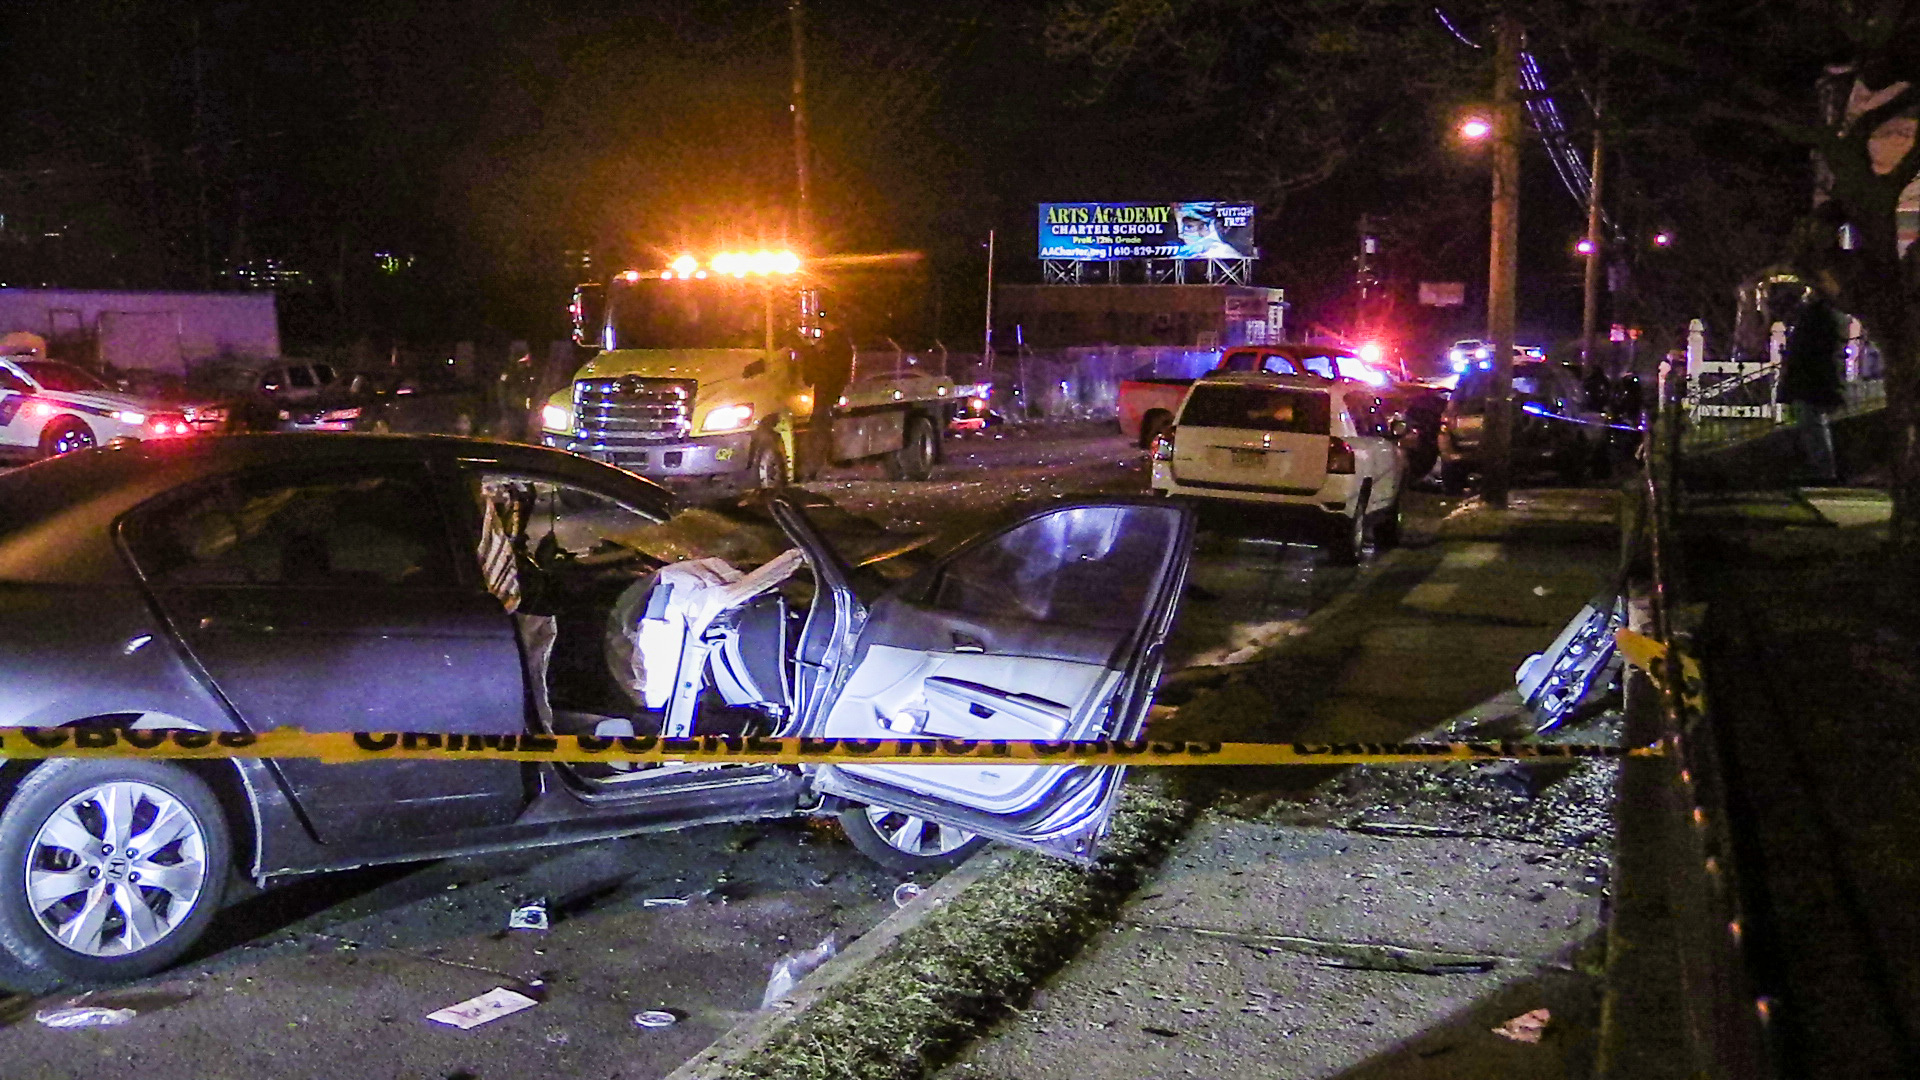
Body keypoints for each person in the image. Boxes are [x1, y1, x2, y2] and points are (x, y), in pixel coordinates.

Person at [1780, 290, 1845, 484]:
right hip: (1810, 379)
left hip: (1811, 379)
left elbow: (1808, 348)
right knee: (1810, 423)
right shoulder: (1819, 313)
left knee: (1813, 424)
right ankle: (1819, 467)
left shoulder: (1818, 314)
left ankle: (1823, 470)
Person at [801, 314, 855, 481]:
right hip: (829, 394)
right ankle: (815, 468)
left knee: (818, 432)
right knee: (821, 431)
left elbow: (824, 367)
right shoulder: (842, 342)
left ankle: (813, 470)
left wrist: (809, 350)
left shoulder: (834, 342)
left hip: (826, 394)